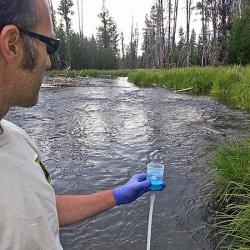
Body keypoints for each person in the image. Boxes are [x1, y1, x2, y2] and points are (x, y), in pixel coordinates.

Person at [0, 0, 152, 249]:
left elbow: (44, 210)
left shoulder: (18, 137)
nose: (49, 62)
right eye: (49, 45)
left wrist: (115, 196)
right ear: (11, 44)